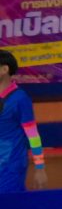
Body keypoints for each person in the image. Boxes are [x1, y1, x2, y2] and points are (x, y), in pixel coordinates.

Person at [0, 49, 47, 193]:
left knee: (9, 204)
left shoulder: (20, 98)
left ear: (4, 69)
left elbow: (33, 135)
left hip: (10, 166)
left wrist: (40, 168)